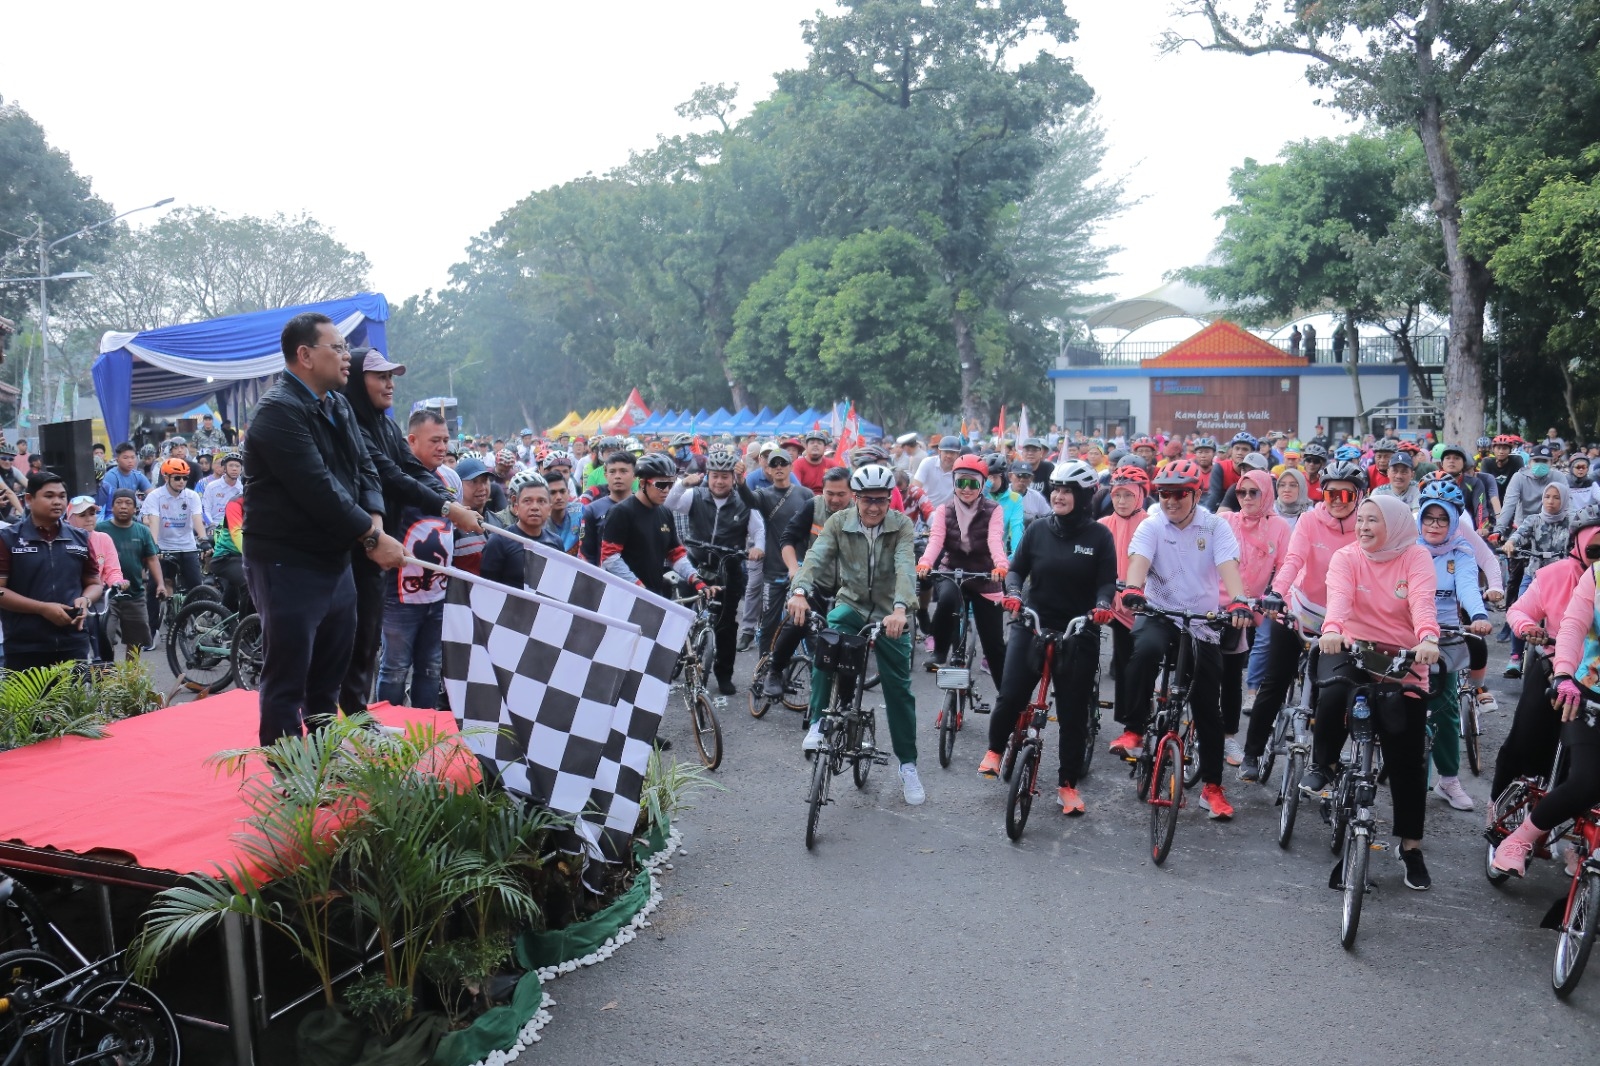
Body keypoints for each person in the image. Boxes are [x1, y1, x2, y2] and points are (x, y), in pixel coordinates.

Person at [242, 312, 402, 747]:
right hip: (287, 561)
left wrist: (375, 521)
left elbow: (364, 467)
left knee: (329, 675)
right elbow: (317, 488)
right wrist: (370, 539)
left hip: (335, 560)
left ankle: (323, 756)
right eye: (337, 347)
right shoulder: (277, 413)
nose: (347, 357)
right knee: (288, 675)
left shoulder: (338, 405)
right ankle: (291, 774)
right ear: (305, 355)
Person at [341, 352, 482, 717]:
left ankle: (415, 726)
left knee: (402, 657)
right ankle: (357, 726)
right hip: (362, 557)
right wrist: (450, 508)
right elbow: (391, 475)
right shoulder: (349, 423)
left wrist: (450, 503)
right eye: (380, 376)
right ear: (357, 379)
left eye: (393, 376)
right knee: (377, 657)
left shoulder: (384, 426)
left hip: (423, 586)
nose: (390, 383)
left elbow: (414, 472)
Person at [1311, 495, 1442, 890]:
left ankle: (1410, 846)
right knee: (1333, 695)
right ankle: (1325, 765)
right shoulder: (1346, 557)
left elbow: (1422, 601)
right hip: (1352, 649)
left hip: (1404, 659)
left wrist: (1428, 638)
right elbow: (1338, 600)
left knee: (1406, 759)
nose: (1364, 527)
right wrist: (1332, 629)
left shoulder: (1415, 557)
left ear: (1396, 525)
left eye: (1374, 520)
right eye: (1361, 520)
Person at [1111, 459, 1253, 820]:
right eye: (1164, 493)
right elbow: (1138, 561)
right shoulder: (1152, 523)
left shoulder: (1215, 526)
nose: (1170, 501)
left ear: (1197, 494)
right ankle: (1134, 729)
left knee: (1208, 704)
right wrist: (1132, 588)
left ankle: (1212, 787)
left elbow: (1228, 569)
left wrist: (1238, 600)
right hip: (1160, 611)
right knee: (1143, 650)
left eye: (1179, 494)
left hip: (1201, 620)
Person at [979, 461, 1117, 813]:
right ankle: (996, 749)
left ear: (1084, 496)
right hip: (1033, 621)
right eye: (1055, 488)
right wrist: (1012, 593)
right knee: (1010, 695)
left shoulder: (1099, 536)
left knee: (1073, 714)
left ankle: (1067, 785)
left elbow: (1106, 583)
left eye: (1067, 490)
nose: (1058, 495)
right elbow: (1016, 569)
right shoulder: (1038, 529)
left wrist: (1102, 605)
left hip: (1079, 627)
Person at [789, 464, 924, 806]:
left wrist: (899, 610)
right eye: (867, 500)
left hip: (889, 611)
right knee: (827, 640)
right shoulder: (837, 523)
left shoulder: (902, 526)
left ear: (890, 498)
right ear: (856, 498)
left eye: (881, 500)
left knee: (898, 690)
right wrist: (800, 591)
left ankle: (908, 765)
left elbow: (906, 568)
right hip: (851, 605)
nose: (874, 507)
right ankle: (818, 721)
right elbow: (815, 559)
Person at [1239, 460, 1367, 781]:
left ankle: (1324, 764)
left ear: (1359, 496)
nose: (1336, 500)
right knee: (1274, 681)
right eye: (1329, 494)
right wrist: (1277, 593)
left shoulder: (1366, 527)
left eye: (1346, 495)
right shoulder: (1309, 520)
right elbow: (1293, 560)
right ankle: (1252, 755)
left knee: (1335, 693)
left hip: (1339, 626)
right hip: (1299, 612)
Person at [1416, 480, 1491, 812]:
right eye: (1428, 518)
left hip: (1446, 633)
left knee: (1445, 710)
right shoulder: (1406, 548)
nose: (1434, 525)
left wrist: (1478, 614)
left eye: (1442, 519)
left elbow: (1467, 586)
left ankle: (1448, 780)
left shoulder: (1461, 551)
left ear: (1452, 522)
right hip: (1407, 632)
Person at [665, 452, 760, 696]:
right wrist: (682, 483)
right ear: (708, 476)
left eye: (725, 477)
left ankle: (724, 675)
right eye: (715, 476)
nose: (719, 482)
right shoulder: (695, 495)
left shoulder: (743, 502)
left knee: (727, 625)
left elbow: (759, 530)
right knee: (684, 616)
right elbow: (669, 503)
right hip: (696, 564)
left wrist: (758, 548)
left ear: (733, 478)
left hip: (729, 569)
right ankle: (676, 662)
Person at [916, 454, 1010, 702]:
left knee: (994, 644)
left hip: (985, 574)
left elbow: (994, 540)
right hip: (954, 570)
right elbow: (935, 540)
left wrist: (1001, 565)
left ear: (982, 485)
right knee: (946, 600)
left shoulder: (994, 510)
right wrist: (925, 562)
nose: (966, 489)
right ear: (954, 483)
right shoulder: (944, 510)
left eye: (972, 483)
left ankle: (1008, 699)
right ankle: (940, 651)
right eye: (960, 483)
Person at [1218, 469, 1290, 766]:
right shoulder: (1224, 521)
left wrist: (1274, 597)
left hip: (1256, 606)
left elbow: (1287, 565)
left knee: (1232, 672)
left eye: (1253, 492)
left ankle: (1228, 737)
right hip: (1215, 603)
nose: (1246, 498)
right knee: (1200, 671)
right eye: (1241, 493)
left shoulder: (1280, 527)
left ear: (1266, 494)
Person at [761, 466, 853, 698]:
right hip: (815, 581)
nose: (834, 499)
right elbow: (788, 538)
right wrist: (794, 569)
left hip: (848, 588)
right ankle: (774, 670)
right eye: (829, 493)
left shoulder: (862, 512)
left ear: (853, 493)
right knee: (799, 622)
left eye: (841, 494)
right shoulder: (813, 506)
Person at [0, 472, 104, 670]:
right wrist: (42, 608)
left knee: (73, 701)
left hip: (73, 643)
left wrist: (86, 599)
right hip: (25, 647)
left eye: (62, 496)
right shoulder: (8, 539)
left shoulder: (80, 537)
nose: (57, 502)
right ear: (29, 499)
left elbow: (94, 582)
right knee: (31, 702)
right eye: (49, 496)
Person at [734, 447, 814, 656]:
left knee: (809, 622)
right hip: (773, 570)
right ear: (767, 469)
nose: (778, 468)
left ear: (790, 466)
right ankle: (763, 671)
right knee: (769, 624)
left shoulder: (805, 494)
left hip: (801, 567)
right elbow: (749, 500)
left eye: (783, 463)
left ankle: (810, 669)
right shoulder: (764, 495)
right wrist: (740, 482)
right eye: (774, 464)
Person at [98, 488, 165, 659]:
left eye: (128, 503)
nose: (123, 507)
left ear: (135, 509)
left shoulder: (142, 531)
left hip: (135, 593)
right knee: (105, 637)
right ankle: (107, 676)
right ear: (111, 507)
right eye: (118, 503)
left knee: (136, 641)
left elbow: (151, 559)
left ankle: (130, 680)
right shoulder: (100, 529)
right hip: (107, 595)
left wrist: (160, 584)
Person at [141, 457, 206, 618]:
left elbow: (197, 518)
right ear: (166, 477)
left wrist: (203, 539)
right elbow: (154, 520)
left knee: (197, 587)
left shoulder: (192, 496)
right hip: (163, 547)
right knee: (154, 588)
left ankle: (198, 623)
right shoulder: (155, 496)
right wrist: (154, 545)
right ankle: (153, 628)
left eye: (185, 478)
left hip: (187, 546)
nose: (181, 481)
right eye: (177, 477)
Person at [481, 471, 565, 588]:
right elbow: (485, 590)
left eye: (541, 501)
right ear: (516, 507)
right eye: (527, 501)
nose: (535, 507)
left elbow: (559, 585)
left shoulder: (556, 542)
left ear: (549, 509)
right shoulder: (499, 542)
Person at [68, 496, 123, 663]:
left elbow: (112, 569)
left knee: (102, 631)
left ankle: (105, 667)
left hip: (97, 593)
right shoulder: (65, 539)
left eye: (92, 513)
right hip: (70, 595)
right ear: (69, 518)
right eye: (83, 515)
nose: (89, 518)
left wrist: (117, 582)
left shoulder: (103, 539)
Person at [580, 450, 639, 566]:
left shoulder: (644, 507)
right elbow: (586, 556)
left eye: (623, 471)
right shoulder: (592, 510)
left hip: (640, 581)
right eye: (612, 472)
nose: (617, 476)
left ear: (635, 476)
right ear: (606, 476)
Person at [450, 458, 495, 575]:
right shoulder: (451, 525)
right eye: (474, 482)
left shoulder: (497, 521)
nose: (481, 488)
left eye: (485, 481)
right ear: (458, 484)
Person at [97, 442, 151, 511]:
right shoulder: (111, 476)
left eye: (132, 457)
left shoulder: (137, 475)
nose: (130, 461)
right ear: (117, 460)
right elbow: (111, 503)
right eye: (125, 458)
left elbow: (152, 494)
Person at [912, 437, 962, 507]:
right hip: (924, 510)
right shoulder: (928, 463)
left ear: (958, 454)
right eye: (946, 452)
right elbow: (915, 488)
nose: (949, 456)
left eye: (953, 453)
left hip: (947, 513)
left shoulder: (960, 471)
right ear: (939, 452)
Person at [202, 450, 244, 531]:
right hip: (215, 527)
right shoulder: (212, 487)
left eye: (237, 466)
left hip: (236, 529)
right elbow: (205, 510)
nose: (234, 469)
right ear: (224, 468)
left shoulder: (243, 488)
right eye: (231, 465)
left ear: (241, 469)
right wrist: (211, 525)